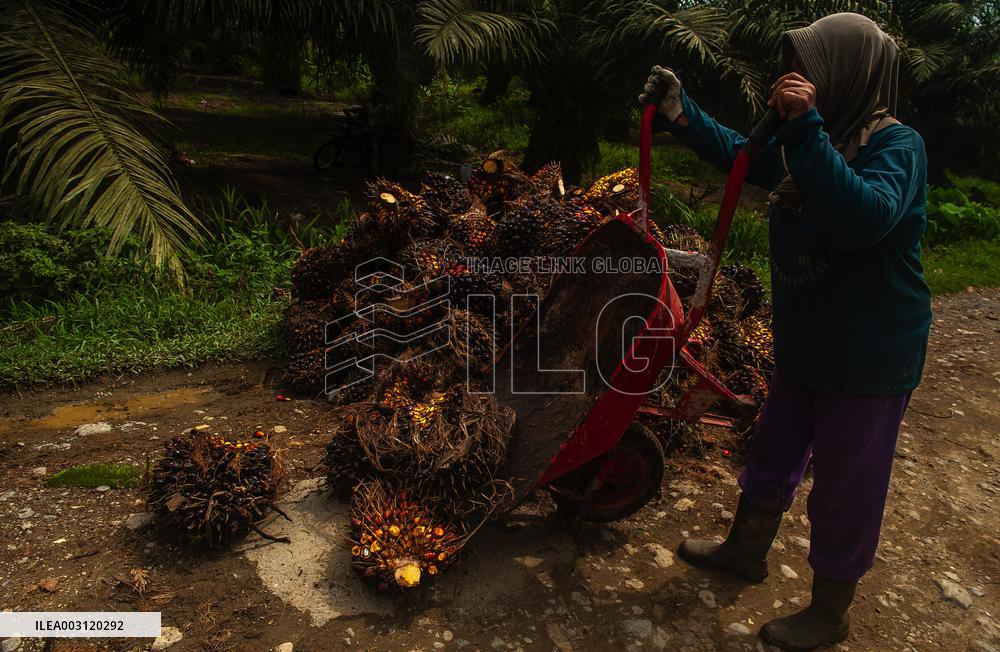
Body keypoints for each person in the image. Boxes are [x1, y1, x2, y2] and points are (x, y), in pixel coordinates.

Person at [639, 12, 931, 652]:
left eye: (814, 73)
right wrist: (682, 114)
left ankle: (831, 611)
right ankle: (745, 550)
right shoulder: (815, 142)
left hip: (869, 356)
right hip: (808, 341)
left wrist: (808, 130)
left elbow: (864, 216)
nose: (797, 83)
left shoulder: (895, 146)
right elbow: (748, 158)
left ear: (851, 75)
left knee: (846, 485)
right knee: (772, 451)